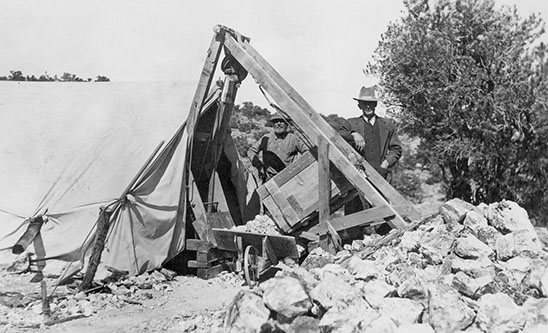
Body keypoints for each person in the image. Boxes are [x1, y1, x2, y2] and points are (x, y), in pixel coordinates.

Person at [338, 86, 402, 214]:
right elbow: (335, 132)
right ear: (359, 105)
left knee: (384, 217)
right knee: (355, 217)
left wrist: (386, 163)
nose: (368, 106)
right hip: (358, 178)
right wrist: (353, 134)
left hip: (381, 175)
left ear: (376, 104)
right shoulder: (351, 124)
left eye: (371, 103)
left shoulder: (387, 125)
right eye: (365, 103)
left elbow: (396, 148)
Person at [247, 112, 309, 183]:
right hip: (270, 178)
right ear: (273, 124)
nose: (278, 124)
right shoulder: (266, 138)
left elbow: (307, 152)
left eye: (281, 121)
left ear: (286, 124)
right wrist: (259, 165)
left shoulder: (293, 138)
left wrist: (299, 168)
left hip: (290, 178)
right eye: (276, 122)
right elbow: (251, 151)